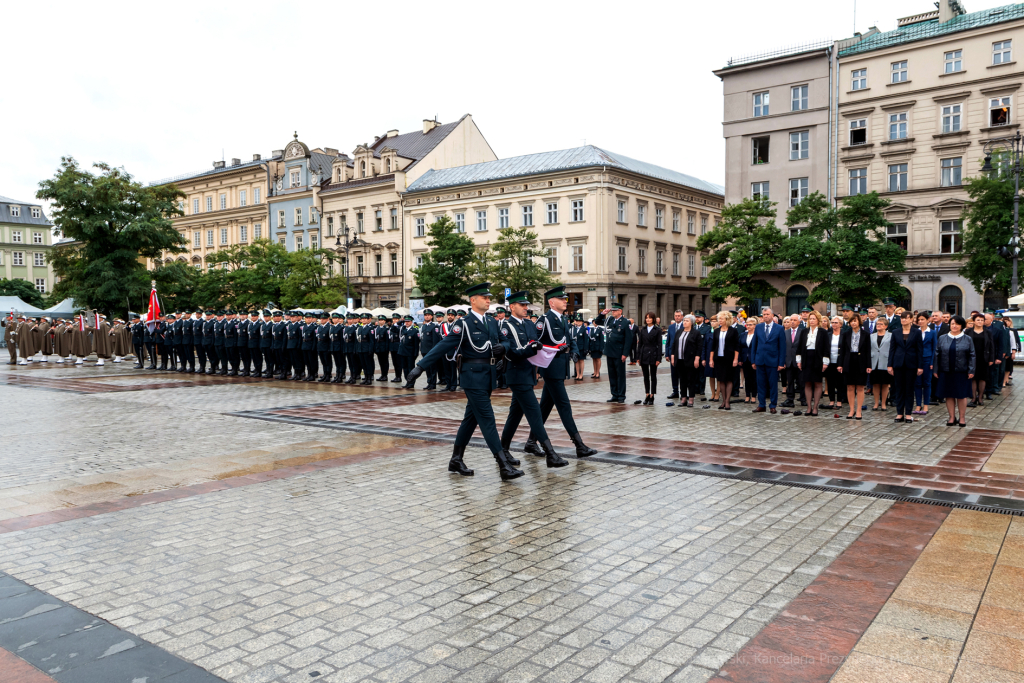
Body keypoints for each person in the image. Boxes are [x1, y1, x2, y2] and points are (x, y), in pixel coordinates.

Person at [404, 282, 523, 481]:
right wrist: (420, 367)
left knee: (471, 419)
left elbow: (505, 341)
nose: (488, 300)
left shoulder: (492, 321)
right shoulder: (464, 323)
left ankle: (456, 459)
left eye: (489, 297)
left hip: (489, 376)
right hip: (472, 377)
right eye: (484, 297)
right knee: (487, 418)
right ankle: (503, 464)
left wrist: (503, 349)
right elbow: (443, 345)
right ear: (473, 300)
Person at [498, 290, 569, 468]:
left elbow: (538, 344)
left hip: (528, 373)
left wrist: (553, 350)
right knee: (535, 414)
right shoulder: (507, 327)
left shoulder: (529, 325)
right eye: (521, 305)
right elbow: (513, 352)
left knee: (515, 414)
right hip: (516, 375)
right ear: (512, 307)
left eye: (526, 305)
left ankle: (503, 450)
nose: (525, 308)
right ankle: (550, 454)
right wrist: (532, 349)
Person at [935, 315, 976, 427]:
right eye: (952, 324)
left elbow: (972, 355)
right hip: (946, 370)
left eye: (957, 324)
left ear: (961, 326)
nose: (954, 326)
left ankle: (962, 418)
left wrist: (971, 370)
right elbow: (937, 354)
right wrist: (936, 369)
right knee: (949, 394)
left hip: (962, 371)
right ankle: (951, 417)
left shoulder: (967, 339)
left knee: (961, 395)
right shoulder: (942, 338)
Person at [888, 311, 924, 423]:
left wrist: (920, 366)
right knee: (899, 389)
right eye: (902, 318)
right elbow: (892, 349)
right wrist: (890, 365)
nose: (904, 320)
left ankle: (908, 413)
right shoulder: (895, 332)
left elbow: (919, 350)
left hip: (911, 363)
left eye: (906, 318)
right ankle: (899, 413)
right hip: (898, 363)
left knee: (909, 389)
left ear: (912, 319)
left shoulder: (917, 332)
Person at [595, 304, 633, 404]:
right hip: (609, 351)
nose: (613, 312)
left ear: (620, 311)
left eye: (615, 311)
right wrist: (602, 313)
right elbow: (597, 322)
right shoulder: (610, 320)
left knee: (620, 375)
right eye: (612, 311)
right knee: (612, 374)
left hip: (619, 352)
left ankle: (621, 395)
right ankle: (614, 394)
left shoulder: (625, 322)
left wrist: (625, 353)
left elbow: (628, 340)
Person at [751, 307, 785, 413]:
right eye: (764, 314)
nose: (765, 316)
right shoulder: (759, 327)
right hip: (760, 360)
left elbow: (782, 347)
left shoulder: (779, 328)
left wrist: (781, 362)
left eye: (767, 314)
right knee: (760, 384)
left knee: (773, 384)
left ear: (772, 315)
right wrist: (753, 360)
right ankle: (761, 404)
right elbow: (754, 345)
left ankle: (773, 405)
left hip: (773, 361)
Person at [796, 311, 829, 416]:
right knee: (807, 383)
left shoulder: (823, 332)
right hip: (806, 358)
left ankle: (815, 407)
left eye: (814, 318)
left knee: (818, 383)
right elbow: (800, 346)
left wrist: (825, 362)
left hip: (818, 359)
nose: (812, 320)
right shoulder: (804, 331)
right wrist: (799, 360)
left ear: (818, 320)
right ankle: (809, 407)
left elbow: (826, 347)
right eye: (810, 319)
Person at [839, 312, 870, 420]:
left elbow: (868, 351)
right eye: (851, 321)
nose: (853, 323)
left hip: (861, 361)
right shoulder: (846, 334)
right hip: (849, 360)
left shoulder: (865, 334)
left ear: (859, 322)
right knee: (850, 386)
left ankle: (859, 410)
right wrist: (840, 364)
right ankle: (851, 410)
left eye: (855, 321)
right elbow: (842, 350)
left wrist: (868, 365)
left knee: (860, 387)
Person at [709, 310, 739, 410]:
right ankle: (723, 400)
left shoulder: (733, 331)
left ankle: (727, 401)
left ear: (727, 319)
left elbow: (736, 346)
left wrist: (735, 359)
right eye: (719, 319)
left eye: (721, 319)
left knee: (729, 379)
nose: (719, 321)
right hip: (718, 359)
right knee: (721, 379)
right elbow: (713, 347)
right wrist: (711, 359)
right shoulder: (717, 331)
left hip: (729, 358)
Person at [672, 314, 703, 407]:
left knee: (691, 380)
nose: (684, 322)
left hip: (690, 359)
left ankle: (691, 399)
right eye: (684, 320)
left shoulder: (696, 333)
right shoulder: (679, 332)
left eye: (687, 321)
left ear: (692, 322)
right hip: (680, 359)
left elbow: (699, 347)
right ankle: (683, 398)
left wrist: (697, 358)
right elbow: (674, 345)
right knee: (682, 380)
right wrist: (673, 356)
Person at [965, 313, 994, 407]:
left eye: (982, 320)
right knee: (973, 378)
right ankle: (973, 398)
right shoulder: (968, 332)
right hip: (971, 358)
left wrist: (991, 358)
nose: (980, 322)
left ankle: (980, 397)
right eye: (978, 320)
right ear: (973, 321)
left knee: (982, 378)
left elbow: (991, 346)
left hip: (984, 358)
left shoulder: (988, 332)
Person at [635, 312, 663, 406]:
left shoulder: (657, 330)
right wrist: (638, 356)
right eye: (646, 318)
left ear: (653, 319)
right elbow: (640, 344)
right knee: (646, 376)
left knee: (653, 376)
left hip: (653, 354)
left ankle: (652, 395)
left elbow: (659, 344)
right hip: (644, 354)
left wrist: (659, 358)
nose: (648, 319)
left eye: (650, 318)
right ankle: (647, 394)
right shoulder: (642, 330)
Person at [914, 312, 938, 416]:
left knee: (927, 383)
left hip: (928, 359)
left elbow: (934, 348)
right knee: (917, 383)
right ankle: (918, 404)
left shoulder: (932, 332)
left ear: (928, 320)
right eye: (919, 320)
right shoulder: (915, 332)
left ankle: (926, 404)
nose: (920, 321)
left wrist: (933, 361)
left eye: (922, 319)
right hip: (916, 360)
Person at [870, 317, 892, 410]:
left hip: (885, 361)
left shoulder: (890, 336)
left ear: (886, 326)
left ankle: (883, 403)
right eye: (877, 324)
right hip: (874, 362)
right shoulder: (872, 336)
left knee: (885, 384)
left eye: (881, 324)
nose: (878, 325)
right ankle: (876, 403)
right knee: (875, 384)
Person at [823, 317, 845, 411]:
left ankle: (839, 401)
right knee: (830, 381)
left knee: (840, 382)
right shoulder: (828, 335)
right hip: (830, 361)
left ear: (840, 324)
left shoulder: (844, 335)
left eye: (836, 322)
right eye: (832, 322)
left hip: (840, 362)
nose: (834, 324)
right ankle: (832, 400)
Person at [665, 310, 685, 398]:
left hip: (682, 353)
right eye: (676, 315)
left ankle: (683, 392)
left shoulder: (685, 326)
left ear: (682, 317)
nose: (677, 317)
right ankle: (675, 391)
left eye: (679, 316)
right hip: (672, 353)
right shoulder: (671, 327)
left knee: (682, 374)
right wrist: (667, 354)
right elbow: (668, 341)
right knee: (674, 374)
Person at [701, 314, 720, 402]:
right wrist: (703, 358)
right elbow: (704, 346)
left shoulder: (721, 331)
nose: (713, 323)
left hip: (718, 356)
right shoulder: (708, 332)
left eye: (715, 321)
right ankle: (712, 393)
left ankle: (718, 393)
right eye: (712, 321)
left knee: (718, 376)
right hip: (709, 357)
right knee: (711, 376)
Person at [739, 317, 757, 404]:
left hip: (753, 359)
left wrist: (755, 361)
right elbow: (740, 347)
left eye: (750, 325)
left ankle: (753, 396)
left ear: (754, 326)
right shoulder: (743, 335)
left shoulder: (757, 335)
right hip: (744, 359)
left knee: (754, 378)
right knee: (747, 378)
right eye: (747, 324)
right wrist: (740, 359)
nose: (748, 326)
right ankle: (747, 395)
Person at [571, 313, 589, 381]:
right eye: (577, 321)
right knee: (576, 361)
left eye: (580, 321)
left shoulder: (584, 329)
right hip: (575, 348)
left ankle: (581, 374)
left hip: (581, 348)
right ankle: (577, 374)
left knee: (581, 361)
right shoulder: (574, 329)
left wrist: (586, 349)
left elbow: (586, 340)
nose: (578, 322)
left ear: (582, 322)